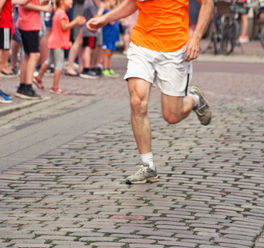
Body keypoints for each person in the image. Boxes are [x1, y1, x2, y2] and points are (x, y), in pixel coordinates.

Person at [87, 0, 213, 184]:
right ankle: (147, 166)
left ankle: (194, 99)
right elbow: (133, 3)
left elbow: (208, 3)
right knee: (137, 102)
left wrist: (196, 38)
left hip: (175, 49)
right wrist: (105, 18)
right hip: (142, 45)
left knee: (172, 115)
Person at [34, 0, 85, 94]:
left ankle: (38, 78)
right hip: (58, 43)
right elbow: (64, 27)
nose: (71, 2)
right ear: (62, 2)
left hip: (54, 41)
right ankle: (55, 87)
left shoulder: (58, 11)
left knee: (49, 61)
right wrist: (75, 22)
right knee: (59, 64)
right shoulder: (61, 13)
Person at [15, 0, 52, 99]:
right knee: (34, 55)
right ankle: (27, 86)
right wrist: (42, 9)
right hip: (29, 23)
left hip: (28, 22)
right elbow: (25, 4)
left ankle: (23, 85)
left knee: (27, 55)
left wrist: (43, 3)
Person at [80, 0, 100, 79]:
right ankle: (86, 69)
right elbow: (96, 17)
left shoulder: (87, 2)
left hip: (87, 30)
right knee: (88, 49)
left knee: (87, 49)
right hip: (90, 31)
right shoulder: (90, 3)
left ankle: (85, 68)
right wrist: (101, 9)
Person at [100, 0, 120, 78]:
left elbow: (118, 20)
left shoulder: (113, 11)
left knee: (110, 53)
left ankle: (108, 67)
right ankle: (105, 68)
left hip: (113, 36)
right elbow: (111, 22)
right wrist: (114, 10)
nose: (114, 2)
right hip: (108, 36)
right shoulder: (107, 11)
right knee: (107, 53)